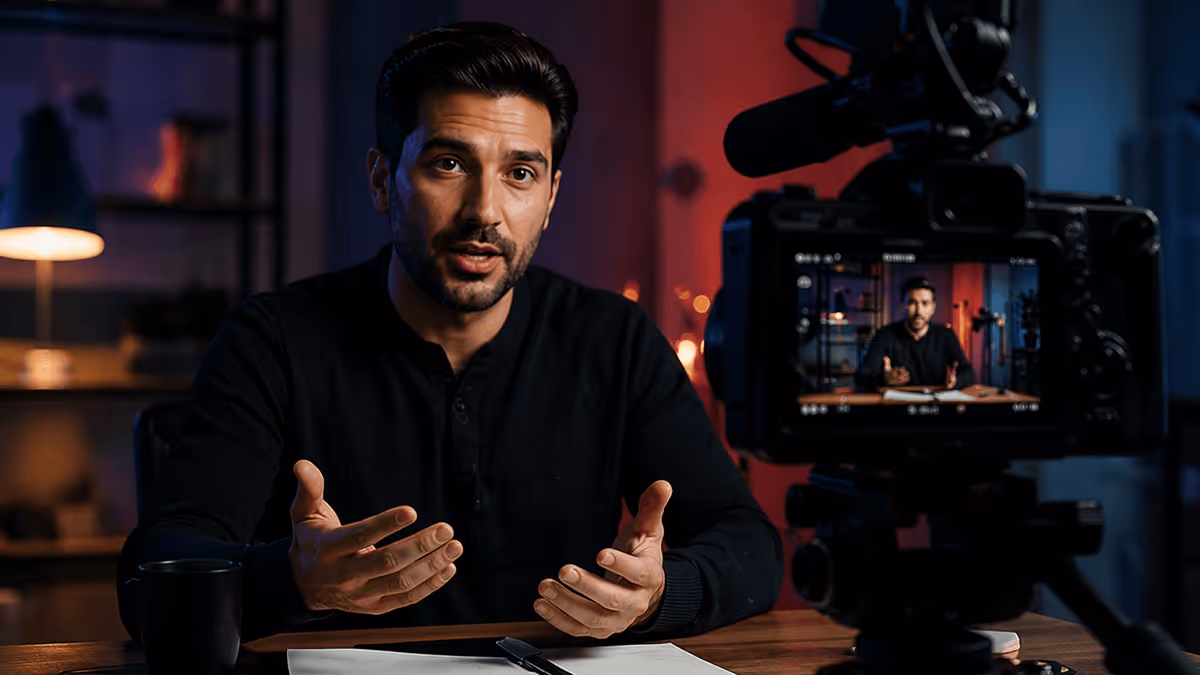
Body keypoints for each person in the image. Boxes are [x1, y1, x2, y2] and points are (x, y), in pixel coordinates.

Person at [118, 21, 782, 643]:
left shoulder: (614, 338)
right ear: (383, 180)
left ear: (549, 197)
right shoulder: (274, 338)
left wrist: (660, 593)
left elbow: (749, 543)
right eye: (449, 164)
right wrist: (294, 578)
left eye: (520, 174)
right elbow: (153, 571)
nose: (485, 211)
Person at [854, 277, 976, 391]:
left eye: (925, 303)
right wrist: (883, 378)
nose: (918, 311)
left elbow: (968, 373)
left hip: (934, 404)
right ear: (903, 306)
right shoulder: (885, 335)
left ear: (933, 307)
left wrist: (957, 381)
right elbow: (861, 377)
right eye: (912, 303)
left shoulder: (945, 335)